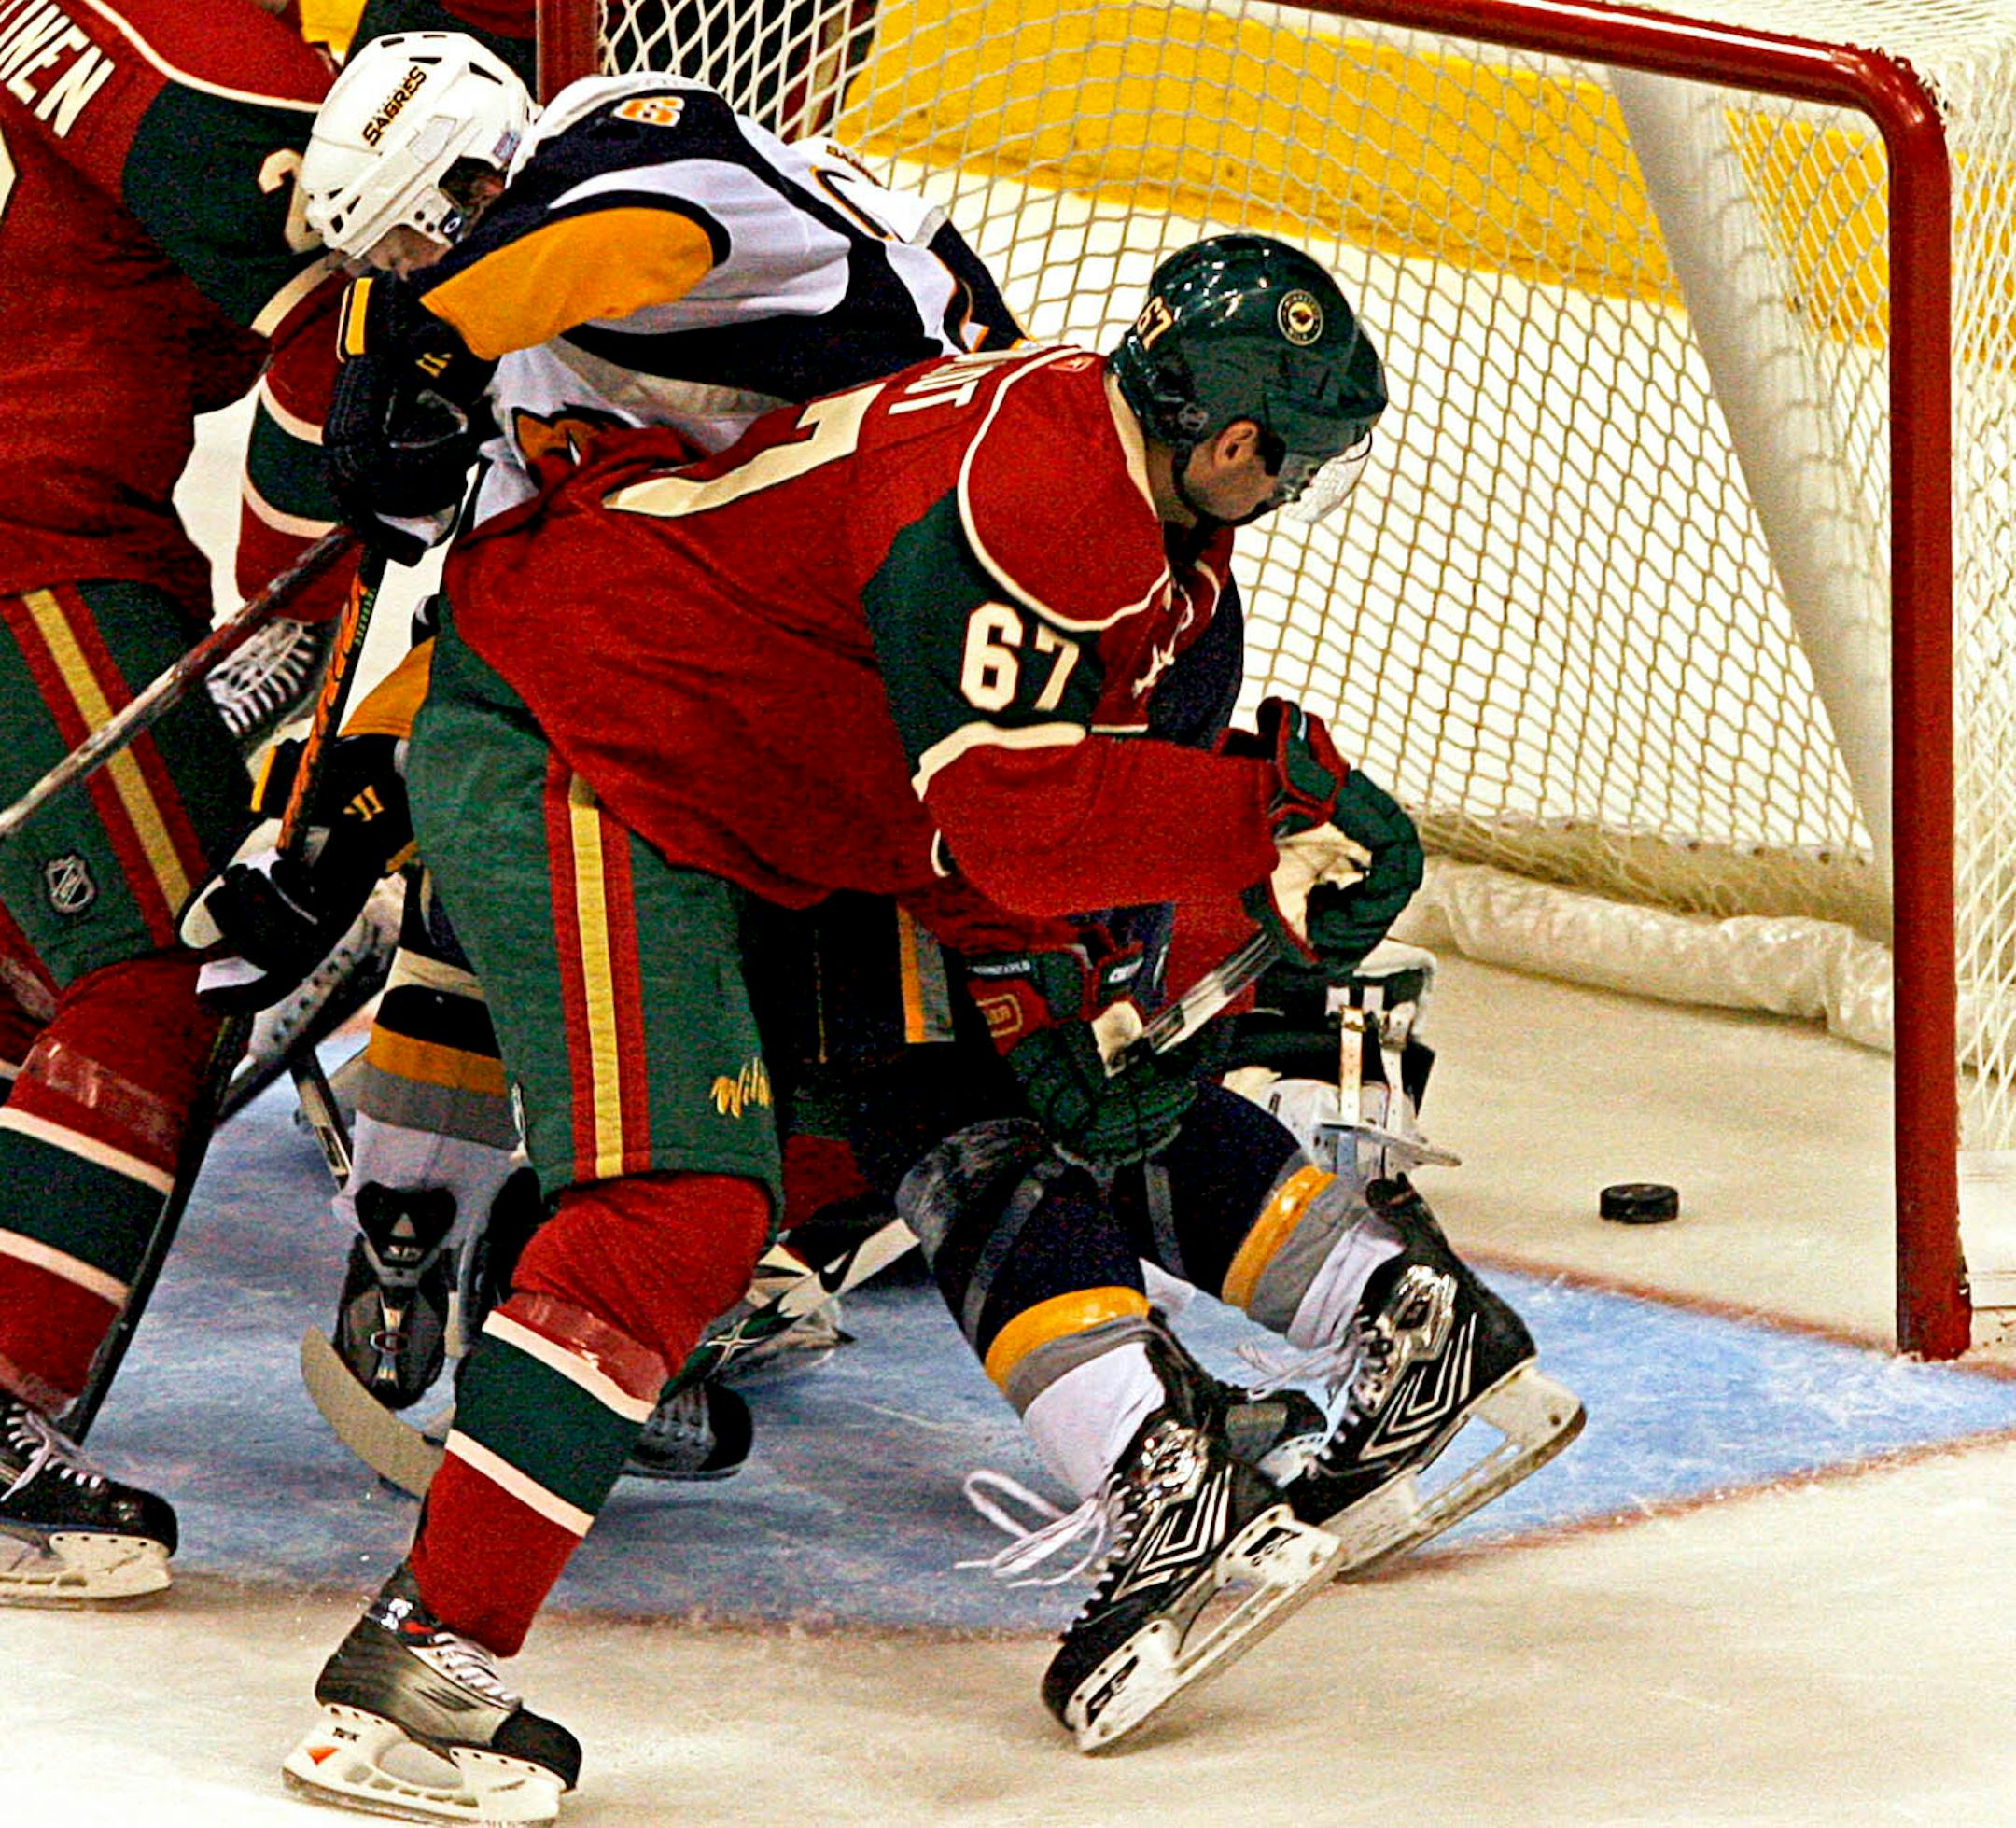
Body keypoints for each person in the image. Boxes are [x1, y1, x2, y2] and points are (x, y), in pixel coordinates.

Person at [276, 230, 1421, 1818]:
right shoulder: (1052, 512)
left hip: (704, 773)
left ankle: (445, 1633)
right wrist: (1260, 823)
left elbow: (940, 800)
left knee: (752, 1181)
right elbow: (1016, 820)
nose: (1290, 487)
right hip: (579, 734)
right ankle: (422, 1672)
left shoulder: (1114, 488)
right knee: (680, 1204)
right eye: (1287, 456)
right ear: (1229, 440)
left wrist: (1048, 996)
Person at [179, 28, 1028, 1475]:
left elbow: (622, 236)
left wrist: (426, 340)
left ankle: (695, 1287)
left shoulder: (642, 147)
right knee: (492, 825)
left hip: (946, 647)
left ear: (471, 182)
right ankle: (414, 1241)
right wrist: (320, 829)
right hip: (763, 668)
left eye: (404, 246)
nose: (393, 284)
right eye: (378, 267)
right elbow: (508, 647)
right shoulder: (515, 371)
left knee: (879, 1047)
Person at [0, 0, 355, 1605]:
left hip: (61, 518)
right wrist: (289, 620)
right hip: (37, 542)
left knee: (26, 980)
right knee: (169, 952)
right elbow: (337, 348)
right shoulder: (215, 56)